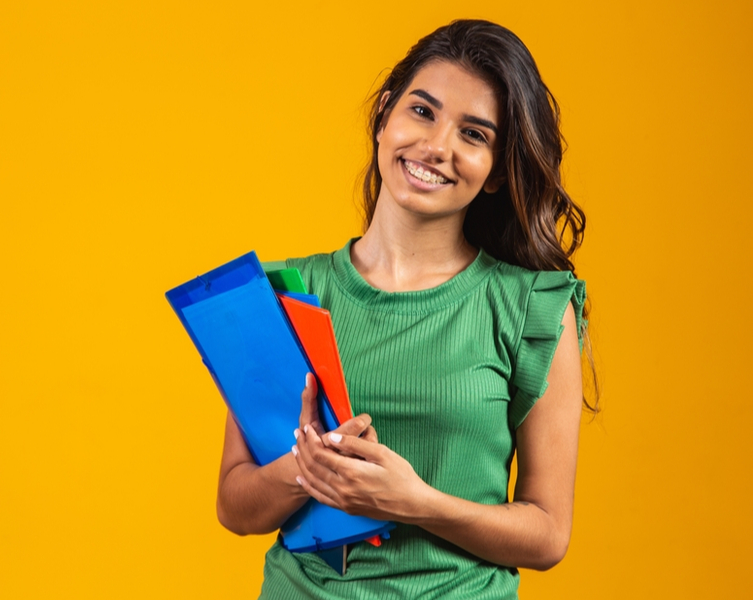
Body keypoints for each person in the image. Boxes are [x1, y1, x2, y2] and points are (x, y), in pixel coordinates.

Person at [216, 19, 594, 599]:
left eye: (474, 134)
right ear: (385, 116)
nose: (437, 146)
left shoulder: (530, 309)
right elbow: (235, 506)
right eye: (423, 111)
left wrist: (415, 503)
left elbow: (548, 534)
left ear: (494, 172)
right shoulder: (286, 293)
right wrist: (309, 468)